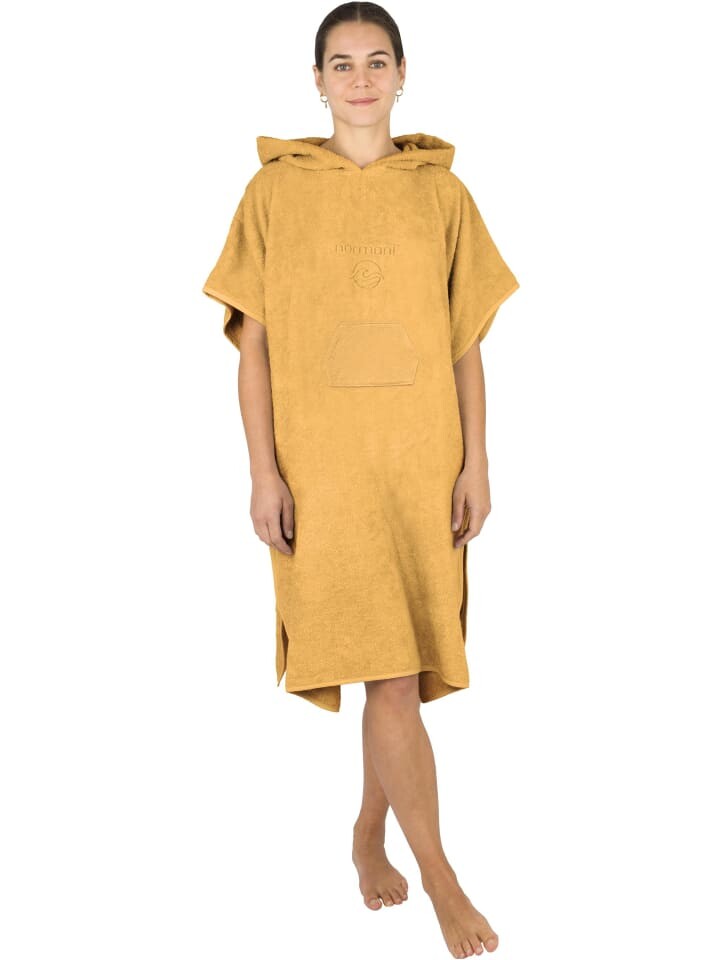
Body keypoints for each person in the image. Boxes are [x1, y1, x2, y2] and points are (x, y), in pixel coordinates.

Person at [201, 3, 519, 957]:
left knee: (402, 669)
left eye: (378, 61)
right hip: (325, 474)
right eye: (341, 64)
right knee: (387, 673)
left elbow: (465, 343)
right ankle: (444, 882)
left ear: (403, 73)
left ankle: (369, 830)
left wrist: (476, 460)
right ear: (317, 82)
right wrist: (263, 472)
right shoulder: (273, 194)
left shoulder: (442, 194)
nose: (361, 79)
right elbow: (253, 348)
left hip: (419, 466)